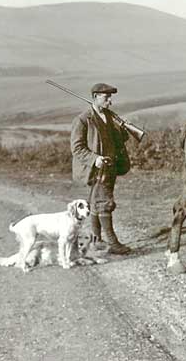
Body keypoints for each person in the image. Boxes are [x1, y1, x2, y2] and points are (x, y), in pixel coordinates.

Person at [71, 83, 131, 254]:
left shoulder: (109, 117)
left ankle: (96, 240)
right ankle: (113, 243)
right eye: (106, 98)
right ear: (95, 97)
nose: (110, 101)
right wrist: (94, 158)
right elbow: (77, 148)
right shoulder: (83, 120)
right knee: (104, 202)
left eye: (110, 97)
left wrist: (124, 129)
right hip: (95, 169)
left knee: (96, 203)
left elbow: (117, 141)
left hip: (111, 165)